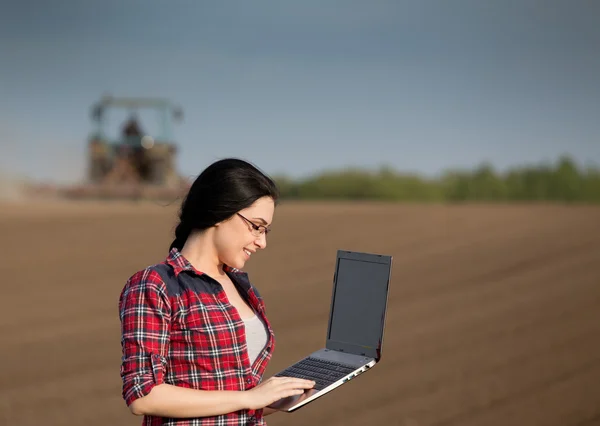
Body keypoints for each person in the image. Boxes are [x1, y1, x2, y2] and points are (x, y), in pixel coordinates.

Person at [118, 158, 315, 425]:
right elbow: (143, 395)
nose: (262, 242)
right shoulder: (155, 284)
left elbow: (237, 399)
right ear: (220, 211)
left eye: (266, 230)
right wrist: (249, 398)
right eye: (256, 226)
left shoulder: (242, 287)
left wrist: (278, 397)